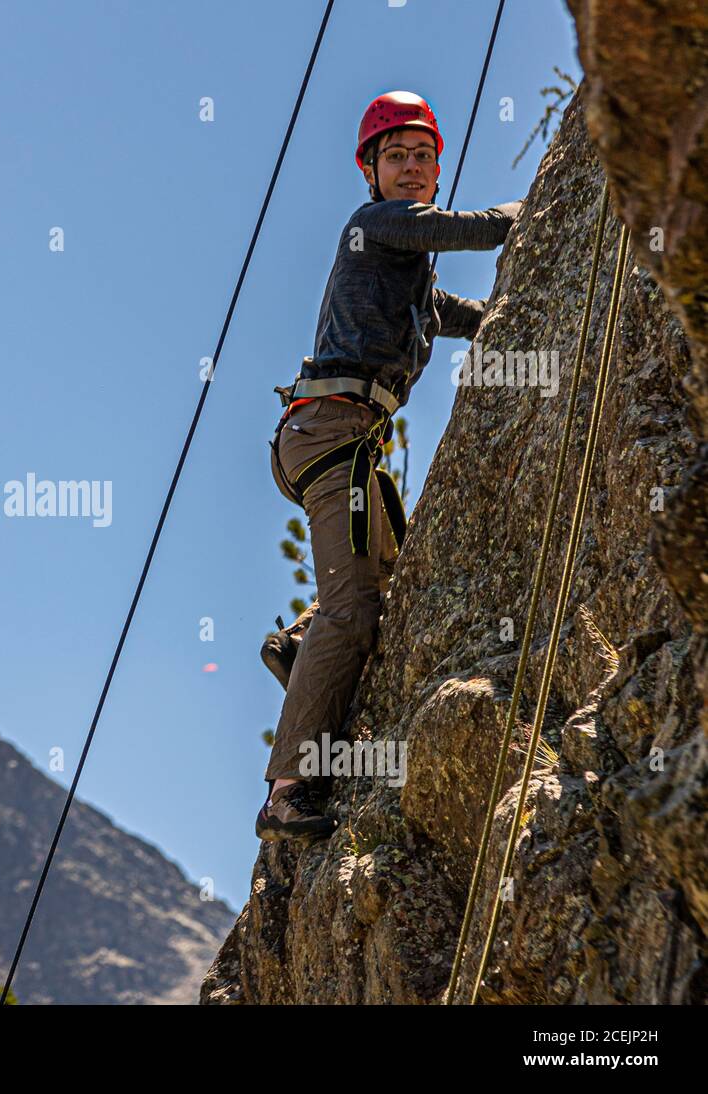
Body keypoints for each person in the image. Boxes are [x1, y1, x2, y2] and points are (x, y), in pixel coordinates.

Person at [255, 90, 521, 841]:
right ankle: (286, 791)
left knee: (387, 582)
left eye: (423, 157)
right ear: (371, 172)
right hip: (330, 433)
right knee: (356, 609)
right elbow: (466, 228)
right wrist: (533, 210)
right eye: (397, 156)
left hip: (339, 438)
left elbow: (460, 314)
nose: (412, 167)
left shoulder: (409, 278)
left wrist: (513, 314)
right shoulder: (374, 227)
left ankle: (300, 643)